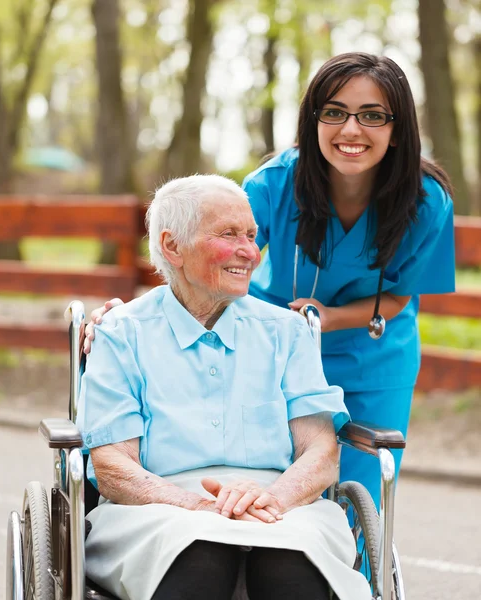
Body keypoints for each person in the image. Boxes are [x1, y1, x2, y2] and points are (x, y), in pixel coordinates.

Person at [84, 52, 455, 510]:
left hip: (372, 351)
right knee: (270, 479)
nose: (351, 130)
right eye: (334, 112)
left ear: (398, 129)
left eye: (373, 116)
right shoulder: (275, 184)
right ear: (312, 120)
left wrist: (329, 317)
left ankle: (349, 579)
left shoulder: (427, 201)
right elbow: (206, 264)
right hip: (271, 349)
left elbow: (399, 294)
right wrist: (129, 318)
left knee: (360, 494)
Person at [77, 174, 371, 600]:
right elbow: (112, 467)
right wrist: (200, 506)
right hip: (157, 510)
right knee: (201, 556)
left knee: (290, 564)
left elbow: (322, 453)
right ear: (172, 246)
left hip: (280, 504)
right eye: (228, 234)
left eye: (252, 235)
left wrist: (271, 499)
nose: (249, 251)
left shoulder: (286, 332)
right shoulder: (121, 333)